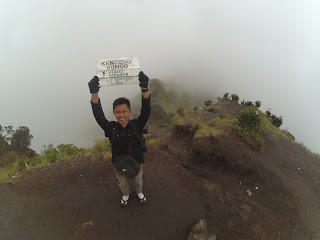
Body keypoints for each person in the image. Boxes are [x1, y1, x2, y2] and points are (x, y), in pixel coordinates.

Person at [88, 71, 151, 208]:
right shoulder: (111, 128)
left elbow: (146, 110)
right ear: (114, 113)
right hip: (119, 164)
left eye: (124, 111)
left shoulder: (137, 125)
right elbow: (98, 116)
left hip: (137, 161)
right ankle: (126, 195)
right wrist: (94, 93)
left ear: (129, 112)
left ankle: (139, 193)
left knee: (138, 181)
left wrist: (144, 88)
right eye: (118, 112)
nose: (121, 115)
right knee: (122, 183)